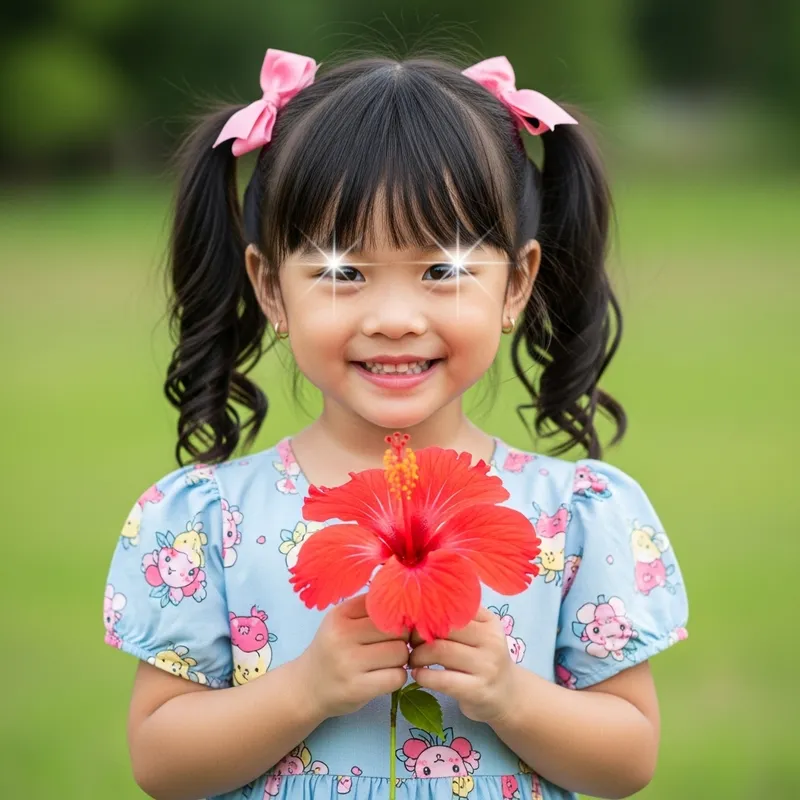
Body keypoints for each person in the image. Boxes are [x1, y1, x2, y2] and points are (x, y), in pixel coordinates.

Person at [103, 48, 688, 800]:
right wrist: (306, 688)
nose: (394, 319)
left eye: (443, 269)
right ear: (270, 289)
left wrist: (513, 697)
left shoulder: (572, 516)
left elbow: (630, 756)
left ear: (517, 283)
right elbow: (160, 761)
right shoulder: (204, 523)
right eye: (342, 271)